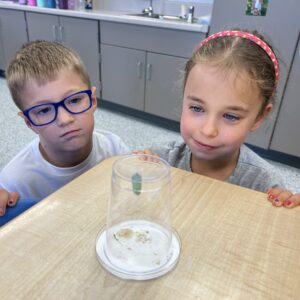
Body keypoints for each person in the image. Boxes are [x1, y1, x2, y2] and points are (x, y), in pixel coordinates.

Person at [151, 30, 300, 208]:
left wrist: (283, 211)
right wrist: (138, 170)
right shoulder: (162, 159)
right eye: (197, 108)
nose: (208, 130)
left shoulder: (263, 185)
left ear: (259, 117)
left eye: (230, 116)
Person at [0, 40, 130, 218]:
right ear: (29, 123)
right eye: (44, 110)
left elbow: (133, 197)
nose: (65, 119)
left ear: (92, 100)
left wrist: (145, 169)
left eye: (75, 100)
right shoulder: (15, 182)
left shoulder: (115, 150)